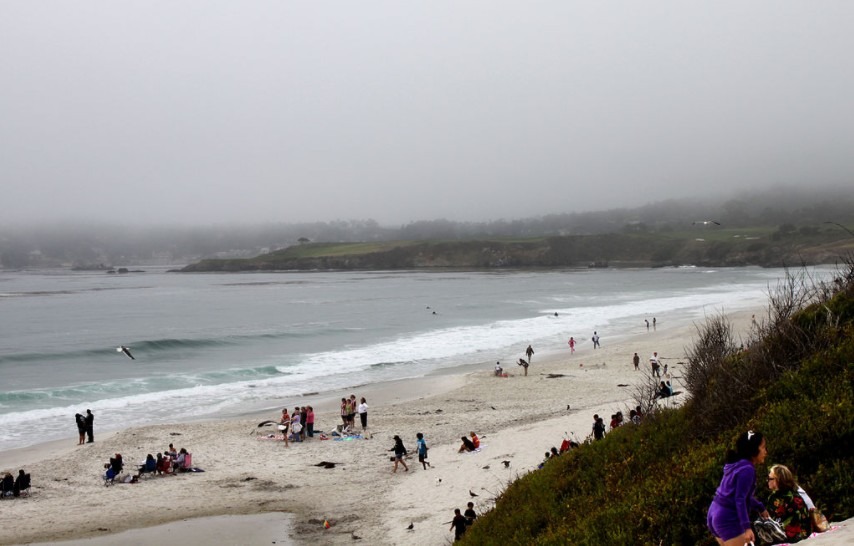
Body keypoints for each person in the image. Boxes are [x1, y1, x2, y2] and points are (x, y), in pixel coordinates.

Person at [707, 430, 770, 546]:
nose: (765, 452)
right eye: (763, 448)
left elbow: (737, 494)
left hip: (714, 512)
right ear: (753, 450)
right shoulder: (747, 469)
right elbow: (739, 499)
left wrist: (760, 507)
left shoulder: (737, 465)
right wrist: (747, 528)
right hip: (727, 517)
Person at [766, 464, 812, 542]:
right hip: (805, 532)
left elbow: (771, 521)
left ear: (778, 480)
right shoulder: (795, 493)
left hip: (790, 536)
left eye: (770, 478)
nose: (767, 481)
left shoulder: (776, 498)